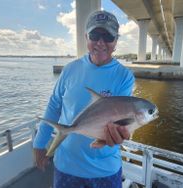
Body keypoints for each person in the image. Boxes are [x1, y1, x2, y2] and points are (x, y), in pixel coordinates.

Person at [33, 10, 135, 188]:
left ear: (116, 41)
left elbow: (121, 119)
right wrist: (39, 144)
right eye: (95, 35)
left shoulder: (124, 76)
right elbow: (54, 105)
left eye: (108, 36)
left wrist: (121, 132)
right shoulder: (70, 70)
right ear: (86, 37)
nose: (101, 42)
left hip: (105, 170)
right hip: (66, 166)